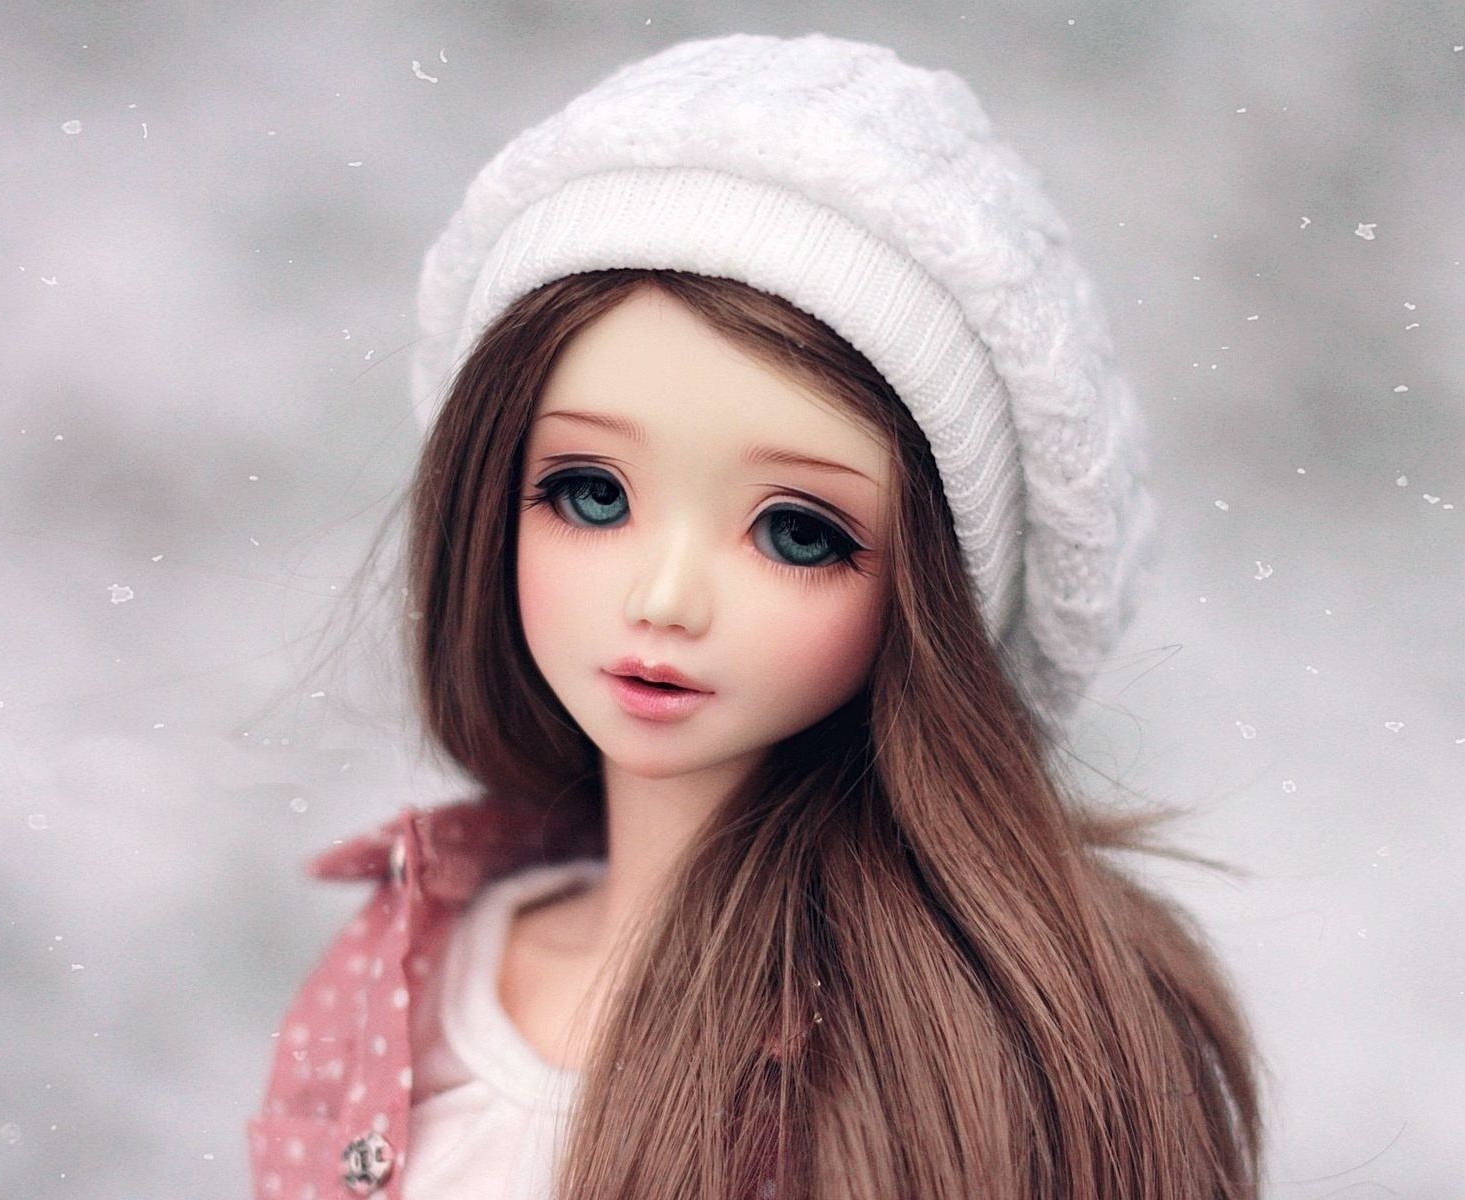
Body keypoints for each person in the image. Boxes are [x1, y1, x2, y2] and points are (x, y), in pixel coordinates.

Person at [247, 32, 1261, 1200]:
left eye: (797, 533)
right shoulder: (411, 961)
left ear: (927, 595)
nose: (666, 598)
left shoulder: (954, 1060)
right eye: (592, 494)